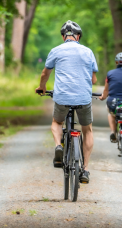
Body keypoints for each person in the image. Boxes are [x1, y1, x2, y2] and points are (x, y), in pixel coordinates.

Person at [35, 20, 98, 183]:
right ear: (78, 36)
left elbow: (44, 74)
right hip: (83, 97)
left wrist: (42, 87)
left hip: (62, 97)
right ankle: (85, 170)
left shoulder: (56, 50)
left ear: (64, 37)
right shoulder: (88, 52)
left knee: (57, 122)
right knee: (87, 129)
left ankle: (58, 146)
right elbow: (94, 79)